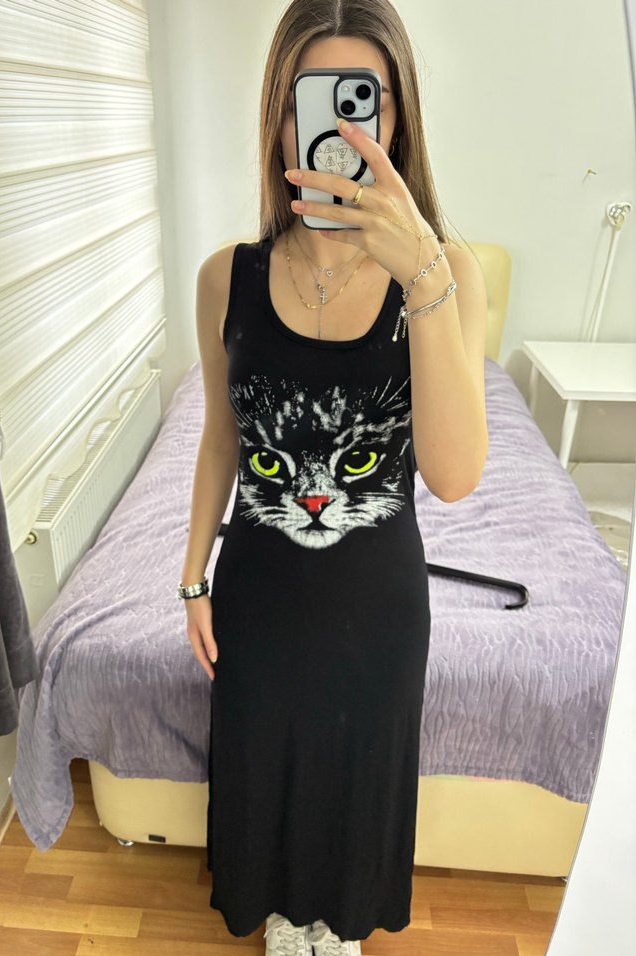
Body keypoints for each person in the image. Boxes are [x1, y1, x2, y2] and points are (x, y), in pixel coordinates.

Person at [178, 1, 489, 953]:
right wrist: (191, 577)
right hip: (259, 590)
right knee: (265, 762)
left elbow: (453, 475)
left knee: (357, 770)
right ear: (278, 119)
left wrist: (423, 276)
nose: (341, 129)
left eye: (366, 102)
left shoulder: (448, 273)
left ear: (398, 121)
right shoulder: (224, 277)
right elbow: (221, 439)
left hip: (376, 600)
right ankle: (282, 914)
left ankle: (339, 924)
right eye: (309, 101)